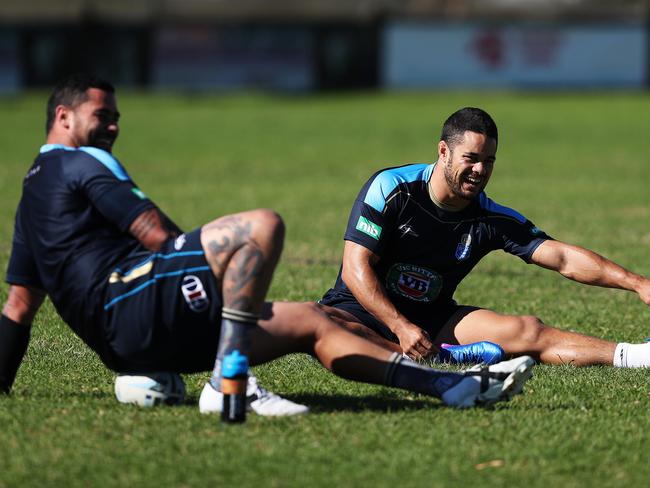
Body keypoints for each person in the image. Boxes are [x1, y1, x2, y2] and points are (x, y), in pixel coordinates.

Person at [0, 75, 535, 415]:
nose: (113, 126)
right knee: (260, 226)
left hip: (122, 347)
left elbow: (19, 307)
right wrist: (210, 285)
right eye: (103, 116)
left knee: (311, 319)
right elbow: (158, 238)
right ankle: (229, 379)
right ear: (63, 119)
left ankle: (453, 388)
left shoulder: (30, 195)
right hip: (140, 308)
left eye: (116, 116)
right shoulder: (82, 160)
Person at [320, 107, 650, 367]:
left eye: (488, 161)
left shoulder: (490, 218)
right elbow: (355, 268)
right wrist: (400, 326)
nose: (480, 170)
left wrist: (638, 283)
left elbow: (562, 257)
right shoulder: (392, 189)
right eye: (471, 158)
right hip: (359, 311)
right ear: (443, 151)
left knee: (527, 331)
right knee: (324, 325)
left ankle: (635, 357)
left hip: (433, 320)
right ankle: (439, 359)